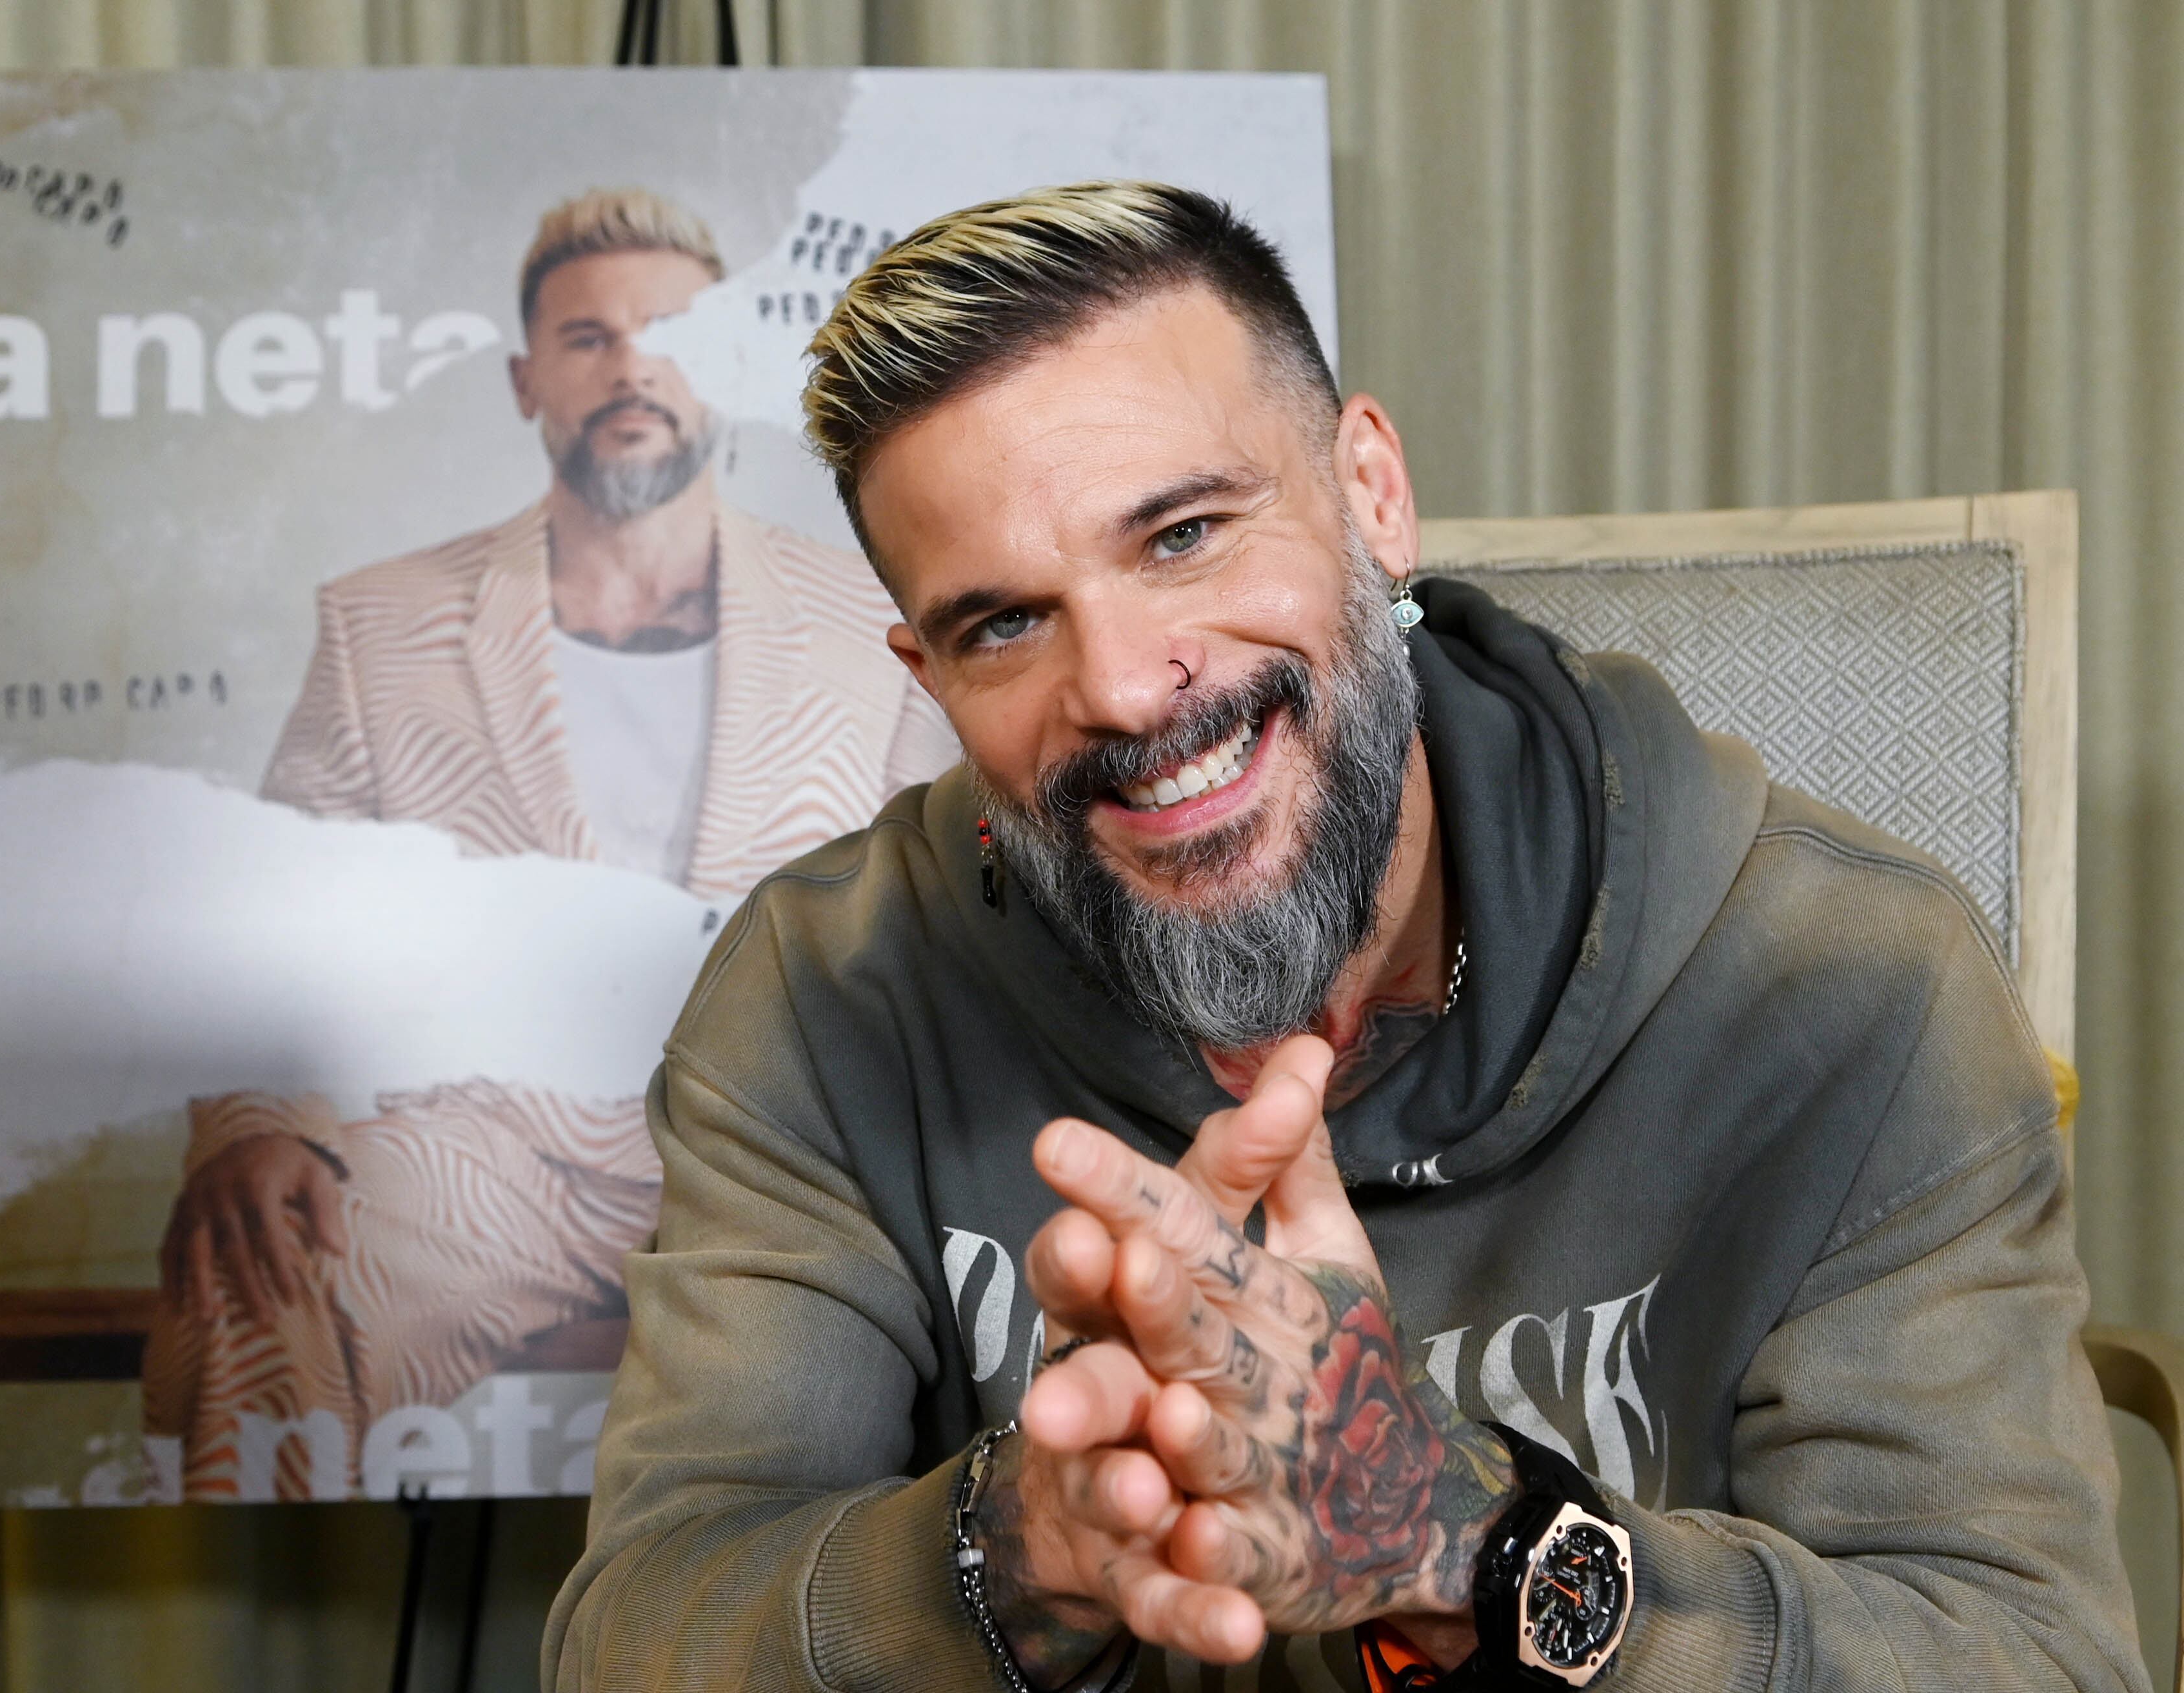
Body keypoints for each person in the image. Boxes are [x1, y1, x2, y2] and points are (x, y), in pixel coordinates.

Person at [544, 182, 2148, 1692]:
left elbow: (2032, 1656)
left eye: (1183, 534)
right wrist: (1031, 1543)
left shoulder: (1853, 982)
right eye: (1006, 622)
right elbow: (637, 1634)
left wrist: (1465, 1538)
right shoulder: (821, 998)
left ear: (1371, 493)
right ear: (931, 676)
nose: (1124, 685)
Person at [140, 187, 955, 1499]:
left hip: (794, 1150)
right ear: (527, 381)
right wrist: (251, 1127)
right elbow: (281, 912)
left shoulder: (873, 617)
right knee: (259, 1267)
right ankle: (254, 1613)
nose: (632, 367)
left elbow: (958, 906)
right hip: (486, 1156)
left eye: (671, 334)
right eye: (588, 338)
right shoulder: (382, 622)